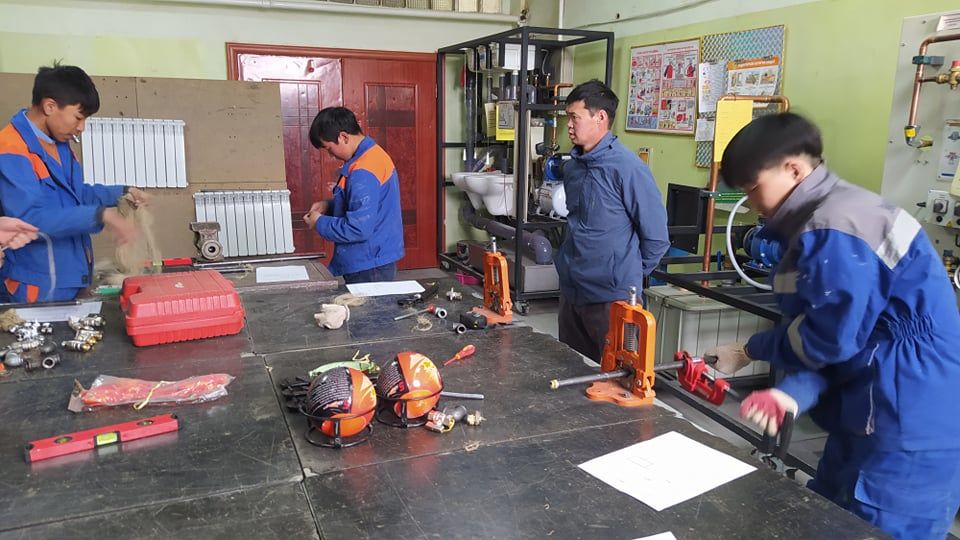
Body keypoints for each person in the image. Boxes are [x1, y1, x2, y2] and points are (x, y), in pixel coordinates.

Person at [708, 112, 960, 539]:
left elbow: (830, 339)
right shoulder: (812, 223)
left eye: (753, 188)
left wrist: (756, 351)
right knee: (828, 514)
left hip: (911, 416)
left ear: (793, 169)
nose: (750, 203)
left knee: (877, 523)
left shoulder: (835, 227)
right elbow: (841, 335)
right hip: (869, 400)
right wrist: (789, 389)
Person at [0, 64, 147, 303]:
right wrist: (100, 215)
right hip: (37, 288)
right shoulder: (11, 149)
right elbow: (28, 219)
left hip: (70, 279)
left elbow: (75, 195)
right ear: (50, 106)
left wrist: (121, 193)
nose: (81, 127)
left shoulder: (59, 145)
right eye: (78, 117)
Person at [554, 80, 670, 362]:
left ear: (600, 117)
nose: (569, 125)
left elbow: (657, 238)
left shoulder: (628, 169)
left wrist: (623, 275)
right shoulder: (573, 168)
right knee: (571, 370)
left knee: (619, 376)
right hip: (572, 292)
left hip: (612, 299)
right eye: (568, 117)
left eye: (575, 117)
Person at [303, 107, 403, 284]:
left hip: (368, 265)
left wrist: (319, 222)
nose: (331, 155)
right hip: (377, 256)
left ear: (343, 137)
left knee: (367, 303)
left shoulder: (363, 170)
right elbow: (367, 204)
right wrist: (329, 205)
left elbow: (358, 229)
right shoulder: (373, 154)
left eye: (329, 148)